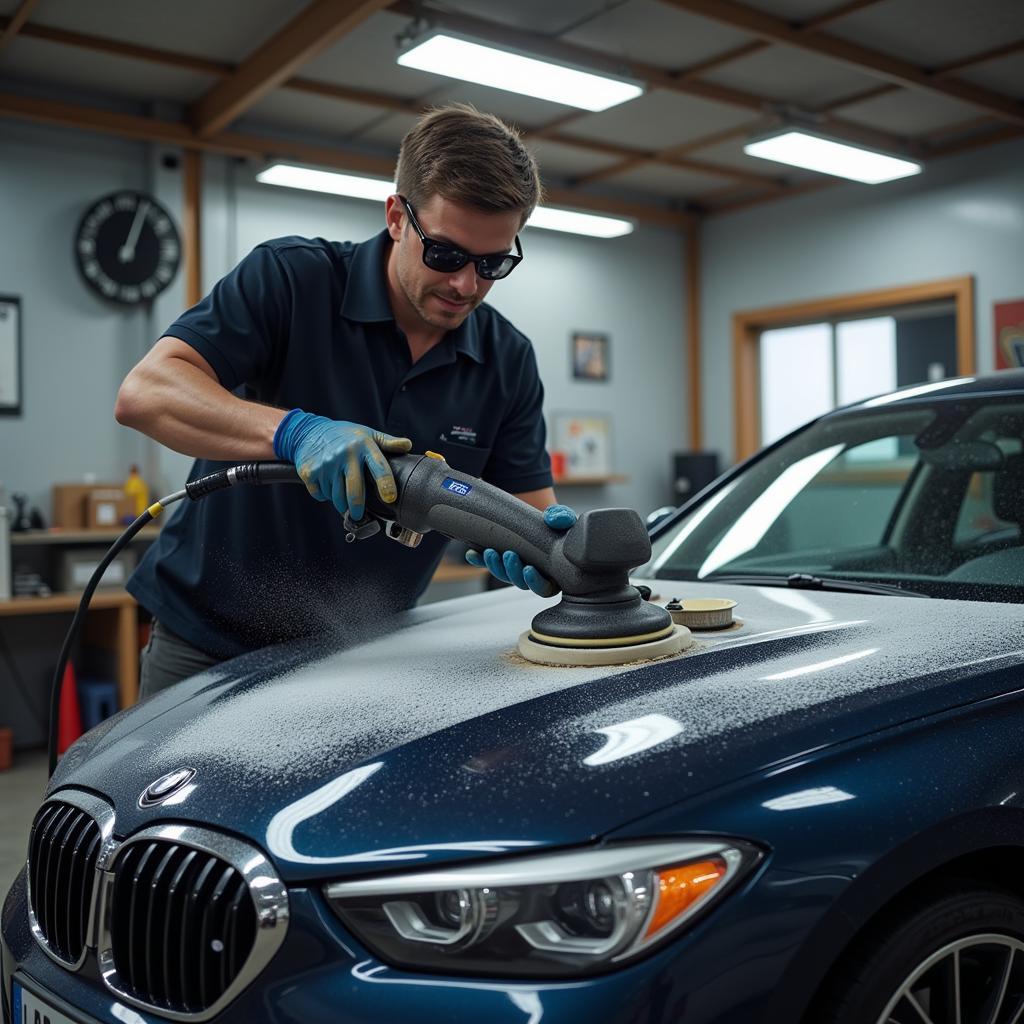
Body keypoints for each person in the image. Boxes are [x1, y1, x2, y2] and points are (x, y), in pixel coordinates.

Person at [115, 104, 575, 696]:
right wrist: (297, 433)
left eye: (493, 264)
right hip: (207, 645)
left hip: (365, 657)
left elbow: (525, 505)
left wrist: (544, 545)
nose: (466, 285)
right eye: (446, 255)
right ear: (396, 217)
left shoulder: (507, 358)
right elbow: (146, 392)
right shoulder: (291, 279)